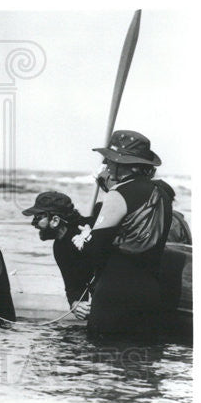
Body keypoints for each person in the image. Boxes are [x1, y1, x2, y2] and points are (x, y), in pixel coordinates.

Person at [73, 130, 175, 338]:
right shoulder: (163, 194)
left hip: (115, 290)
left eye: (110, 160)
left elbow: (95, 250)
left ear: (123, 164)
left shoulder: (119, 193)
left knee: (104, 358)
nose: (107, 165)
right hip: (150, 291)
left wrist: (83, 239)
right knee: (141, 360)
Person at [22, 191, 95, 317]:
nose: (33, 223)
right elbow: (72, 284)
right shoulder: (60, 247)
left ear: (55, 220)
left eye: (38, 217)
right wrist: (75, 304)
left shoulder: (90, 229)